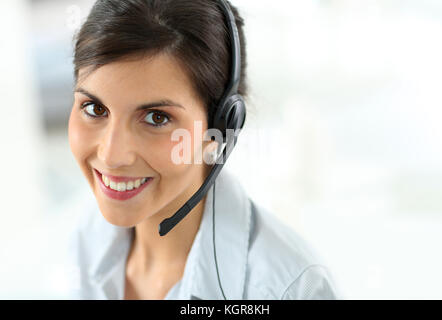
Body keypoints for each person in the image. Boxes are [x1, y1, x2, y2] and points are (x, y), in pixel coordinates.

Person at [66, 0, 339, 300]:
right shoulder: (86, 239)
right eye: (94, 108)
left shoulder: (292, 288)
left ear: (221, 128)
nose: (111, 155)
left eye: (157, 118)